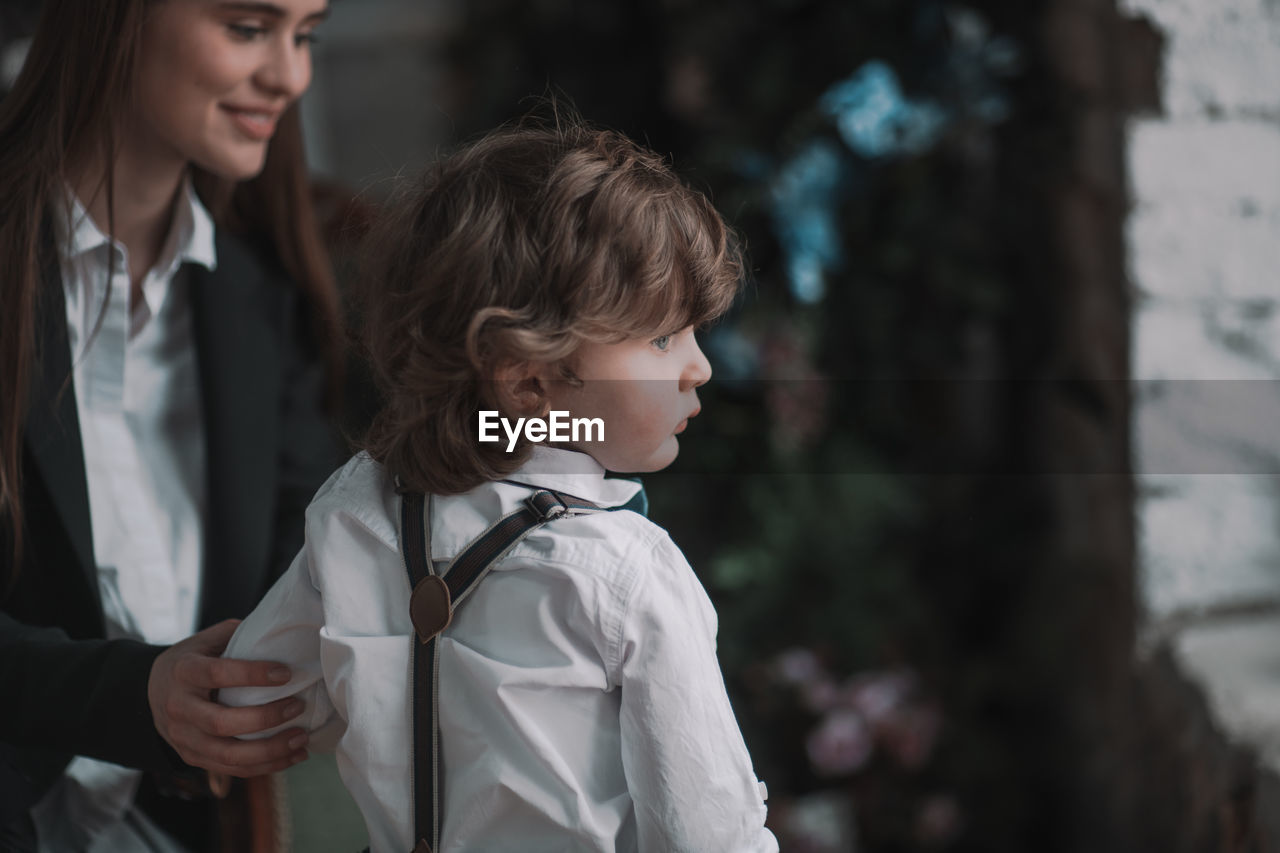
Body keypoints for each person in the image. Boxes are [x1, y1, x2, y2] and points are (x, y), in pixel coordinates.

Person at [221, 116, 779, 853]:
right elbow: (711, 833)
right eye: (664, 337)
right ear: (529, 378)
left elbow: (253, 697)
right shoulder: (629, 570)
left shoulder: (357, 508)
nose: (700, 366)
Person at [0, 0, 346, 849]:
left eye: (304, 35)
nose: (289, 75)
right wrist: (131, 693)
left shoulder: (265, 296)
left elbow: (310, 565)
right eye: (247, 27)